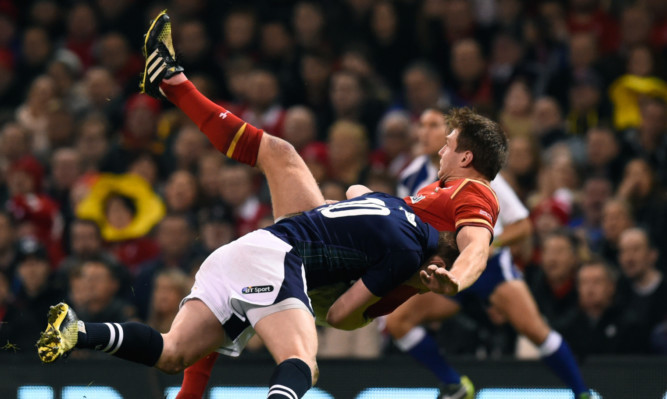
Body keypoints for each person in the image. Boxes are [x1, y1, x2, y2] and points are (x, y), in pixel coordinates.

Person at [37, 12, 459, 399]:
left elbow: (352, 192)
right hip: (276, 260)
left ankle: (79, 331)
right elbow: (344, 316)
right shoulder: (407, 256)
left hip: (241, 255)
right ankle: (171, 81)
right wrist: (407, 287)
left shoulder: (390, 205)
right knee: (301, 364)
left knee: (172, 352)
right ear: (435, 262)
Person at [134, 12, 508, 398]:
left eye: (449, 143)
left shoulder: (474, 193)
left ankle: (171, 83)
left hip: (356, 283)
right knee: (279, 155)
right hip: (356, 258)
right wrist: (353, 200)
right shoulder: (437, 189)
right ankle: (170, 81)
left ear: (466, 158)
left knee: (256, 274)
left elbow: (477, 248)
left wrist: (456, 280)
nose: (441, 148)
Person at [388, 109, 591, 399]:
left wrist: (485, 247)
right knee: (396, 322)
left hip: (490, 269)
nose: (423, 132)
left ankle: (582, 393)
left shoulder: (480, 173)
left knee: (534, 330)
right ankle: (455, 384)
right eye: (420, 125)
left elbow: (522, 225)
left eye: (433, 126)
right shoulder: (411, 175)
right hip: (445, 269)